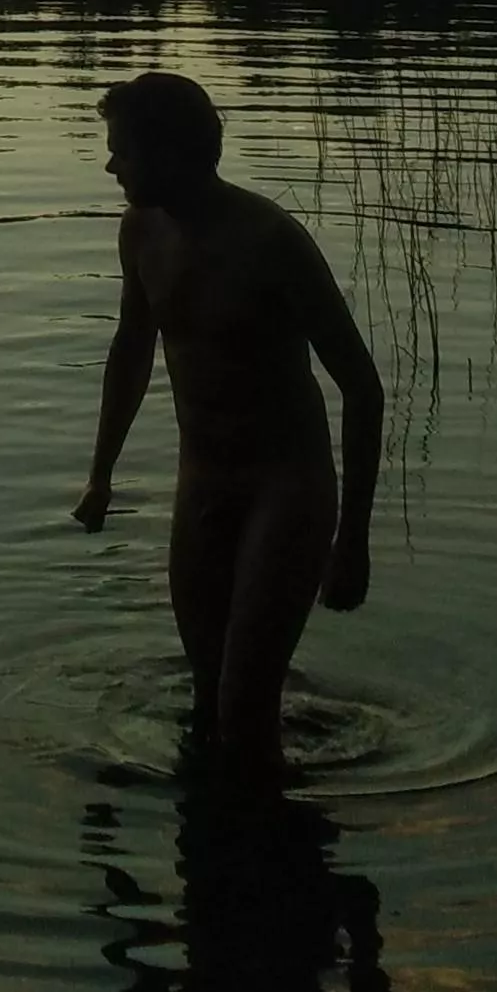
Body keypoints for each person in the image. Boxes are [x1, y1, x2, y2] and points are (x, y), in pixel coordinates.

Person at [72, 69, 382, 781]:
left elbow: (361, 388)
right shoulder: (140, 232)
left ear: (171, 153)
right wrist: (101, 475)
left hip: (285, 487)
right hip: (201, 485)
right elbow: (130, 349)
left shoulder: (271, 242)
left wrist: (351, 542)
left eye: (122, 150)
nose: (110, 164)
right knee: (209, 702)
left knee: (245, 709)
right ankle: (216, 873)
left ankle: (276, 866)